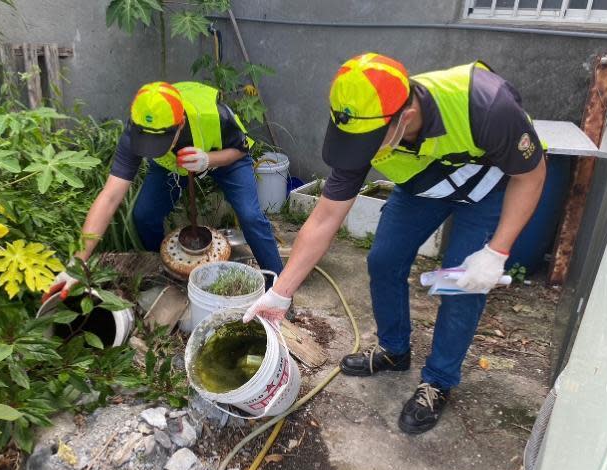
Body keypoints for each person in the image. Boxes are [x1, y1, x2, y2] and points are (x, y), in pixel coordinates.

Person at [244, 53, 546, 434]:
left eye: (369, 143)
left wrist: (496, 252)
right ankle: (394, 349)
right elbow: (324, 217)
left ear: (404, 117)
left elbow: (532, 176)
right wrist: (280, 293)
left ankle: (438, 380)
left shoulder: (486, 104)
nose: (362, 153)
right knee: (383, 260)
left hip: (491, 187)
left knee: (460, 285)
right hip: (423, 185)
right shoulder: (365, 127)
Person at [44, 80, 283, 301]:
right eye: (146, 142)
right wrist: (77, 263)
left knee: (251, 216)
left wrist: (208, 159)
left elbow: (240, 150)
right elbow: (109, 197)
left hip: (224, 157)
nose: (149, 148)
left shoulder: (214, 116)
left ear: (179, 125)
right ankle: (166, 272)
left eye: (158, 141)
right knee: (144, 215)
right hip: (173, 164)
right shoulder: (138, 127)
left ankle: (278, 289)